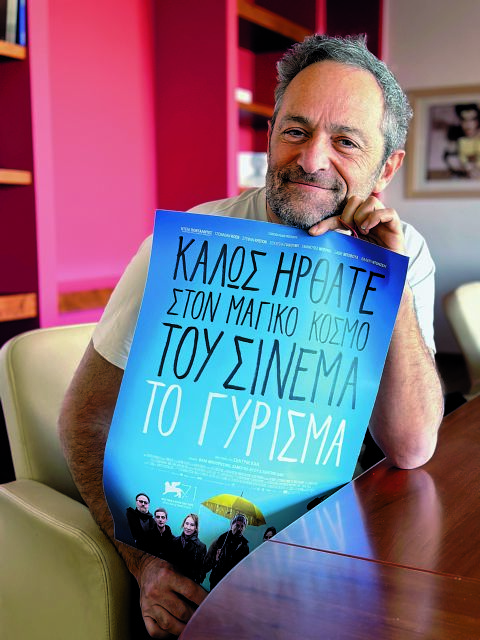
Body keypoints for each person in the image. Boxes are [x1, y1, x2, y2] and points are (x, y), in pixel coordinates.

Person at [59, 34, 444, 638]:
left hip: (338, 563)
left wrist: (387, 282)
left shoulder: (405, 251)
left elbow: (411, 447)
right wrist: (143, 565)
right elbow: (84, 419)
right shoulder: (187, 245)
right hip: (201, 581)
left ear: (387, 167)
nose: (312, 159)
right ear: (269, 135)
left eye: (346, 141)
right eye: (295, 130)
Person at [205, 514, 250, 590]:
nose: (239, 528)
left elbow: (244, 568)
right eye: (237, 525)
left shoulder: (244, 546)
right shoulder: (221, 540)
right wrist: (216, 559)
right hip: (216, 581)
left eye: (242, 526)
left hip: (232, 584)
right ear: (232, 525)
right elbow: (208, 562)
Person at [169, 514, 207, 585]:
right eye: (186, 523)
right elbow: (169, 562)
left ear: (196, 528)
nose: (188, 527)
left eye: (192, 525)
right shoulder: (174, 541)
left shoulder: (201, 547)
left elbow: (202, 570)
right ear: (183, 524)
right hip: (172, 581)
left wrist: (194, 583)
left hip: (188, 585)